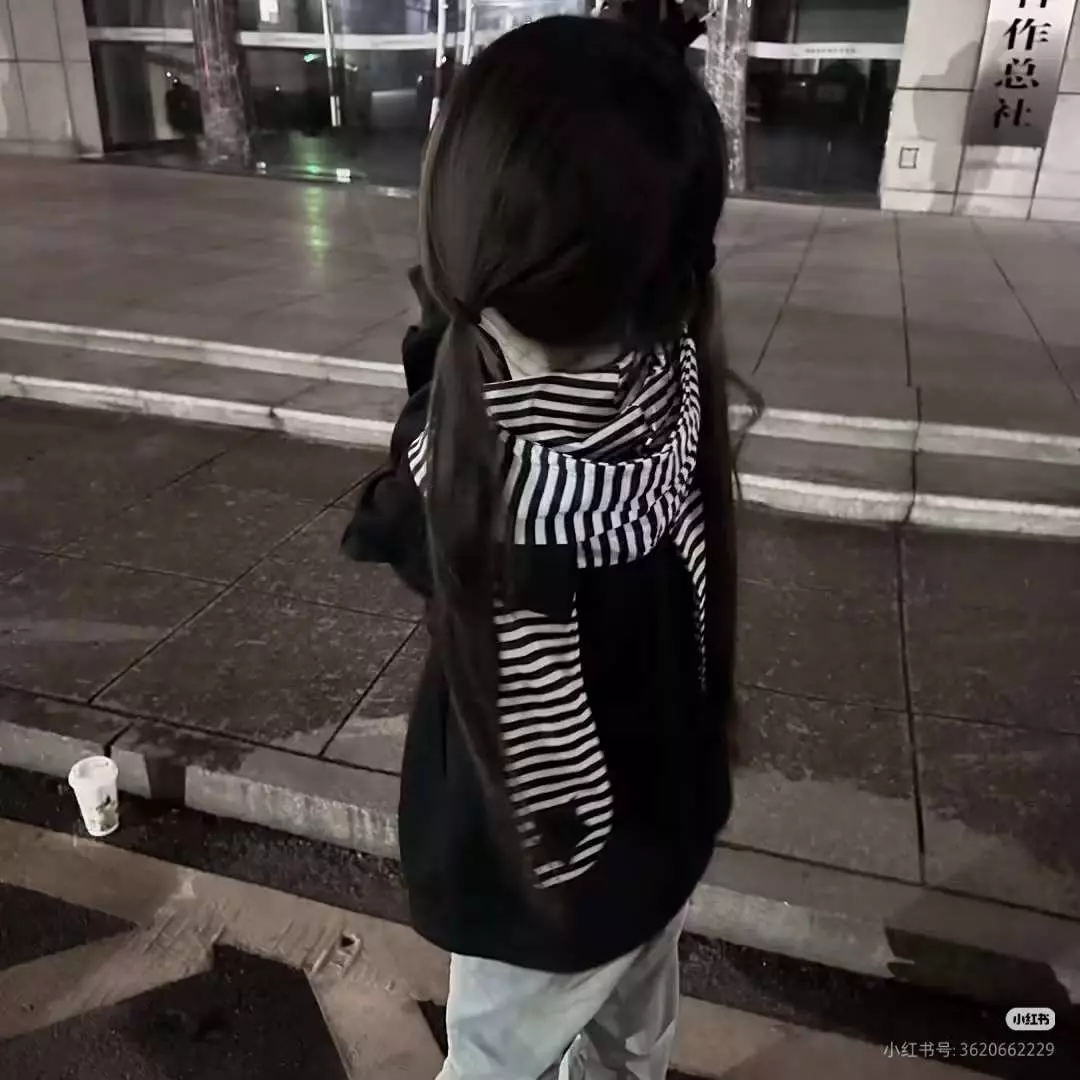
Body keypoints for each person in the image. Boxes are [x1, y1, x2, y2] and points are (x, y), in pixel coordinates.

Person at [343, 15, 738, 1079]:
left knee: (493, 1060)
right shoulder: (675, 392)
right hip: (665, 829)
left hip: (536, 876)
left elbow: (414, 482)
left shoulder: (464, 474)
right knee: (632, 1043)